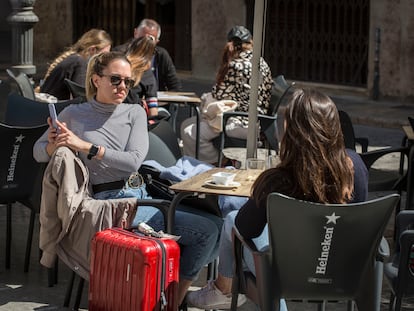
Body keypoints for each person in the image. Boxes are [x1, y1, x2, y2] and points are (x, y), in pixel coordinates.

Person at [33, 51, 221, 306]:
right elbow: (37, 152)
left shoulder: (134, 112)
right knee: (207, 230)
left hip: (142, 197)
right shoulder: (73, 115)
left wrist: (84, 145)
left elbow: (133, 161)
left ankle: (165, 295)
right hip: (107, 204)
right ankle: (172, 302)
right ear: (96, 80)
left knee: (216, 222)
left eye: (128, 82)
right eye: (115, 79)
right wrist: (54, 146)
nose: (122, 86)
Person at [186, 88, 369, 310]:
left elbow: (245, 228)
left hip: (289, 276)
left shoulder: (278, 180)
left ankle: (222, 290)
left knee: (233, 220)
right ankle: (223, 290)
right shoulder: (355, 167)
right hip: (341, 272)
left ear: (290, 131)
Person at [180, 25, 273, 164]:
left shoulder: (236, 65)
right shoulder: (261, 62)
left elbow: (218, 94)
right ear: (250, 42)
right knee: (189, 124)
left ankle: (213, 163)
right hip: (258, 121)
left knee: (189, 131)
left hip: (240, 121)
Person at [39, 28, 112, 100]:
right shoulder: (80, 63)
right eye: (104, 55)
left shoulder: (74, 59)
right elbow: (81, 97)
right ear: (92, 49)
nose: (105, 59)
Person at [114, 18, 182, 91]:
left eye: (150, 39)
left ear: (157, 41)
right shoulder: (120, 53)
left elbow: (174, 84)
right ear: (135, 33)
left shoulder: (161, 54)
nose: (145, 43)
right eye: (142, 38)